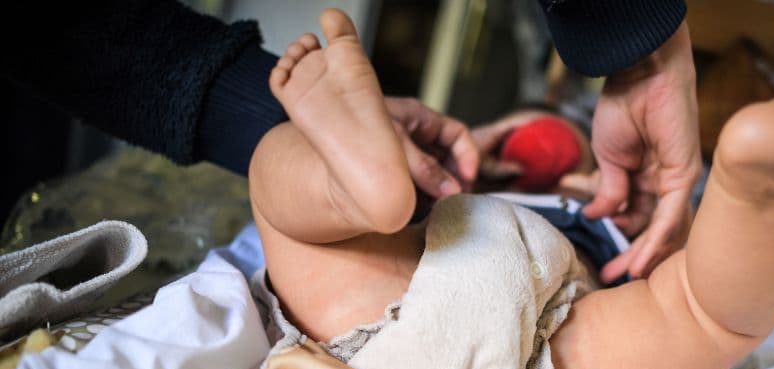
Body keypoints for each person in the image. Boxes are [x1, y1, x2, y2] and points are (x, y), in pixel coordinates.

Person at [248, 9, 774, 369]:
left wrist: (654, 224)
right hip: (544, 350)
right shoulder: (498, 185)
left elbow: (571, 167)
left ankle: (352, 185)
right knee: (699, 312)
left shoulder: (604, 213)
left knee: (279, 195)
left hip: (407, 324)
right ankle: (755, 177)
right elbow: (692, 283)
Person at [1, 0, 696, 278]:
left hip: (424, 245)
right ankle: (351, 173)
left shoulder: (609, 242)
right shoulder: (584, 210)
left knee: (292, 196)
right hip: (450, 241)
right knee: (318, 210)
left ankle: (349, 174)